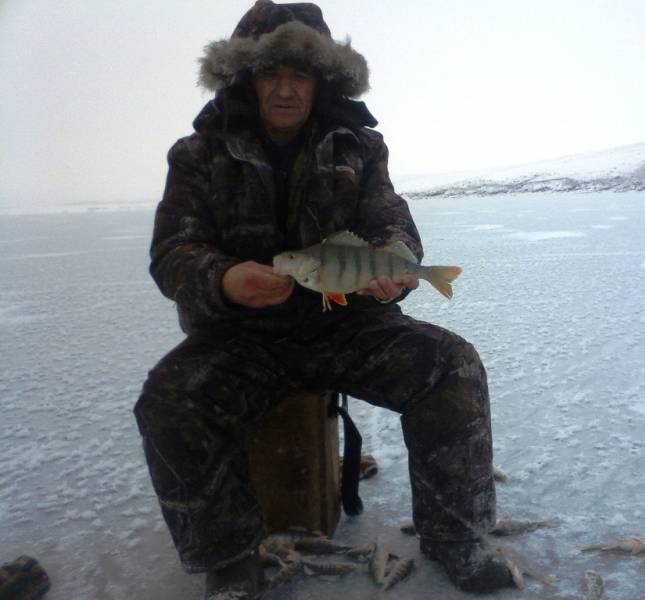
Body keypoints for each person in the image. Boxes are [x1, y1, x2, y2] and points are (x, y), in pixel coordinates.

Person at [134, 2, 513, 598]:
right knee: (169, 400)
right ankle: (230, 559)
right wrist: (225, 280)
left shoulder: (360, 147)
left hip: (349, 326)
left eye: (300, 75)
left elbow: (392, 224)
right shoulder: (197, 153)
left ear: (322, 81)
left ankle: (456, 536)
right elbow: (172, 253)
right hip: (242, 336)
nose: (285, 89)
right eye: (270, 74)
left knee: (451, 366)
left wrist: (396, 265)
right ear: (245, 78)